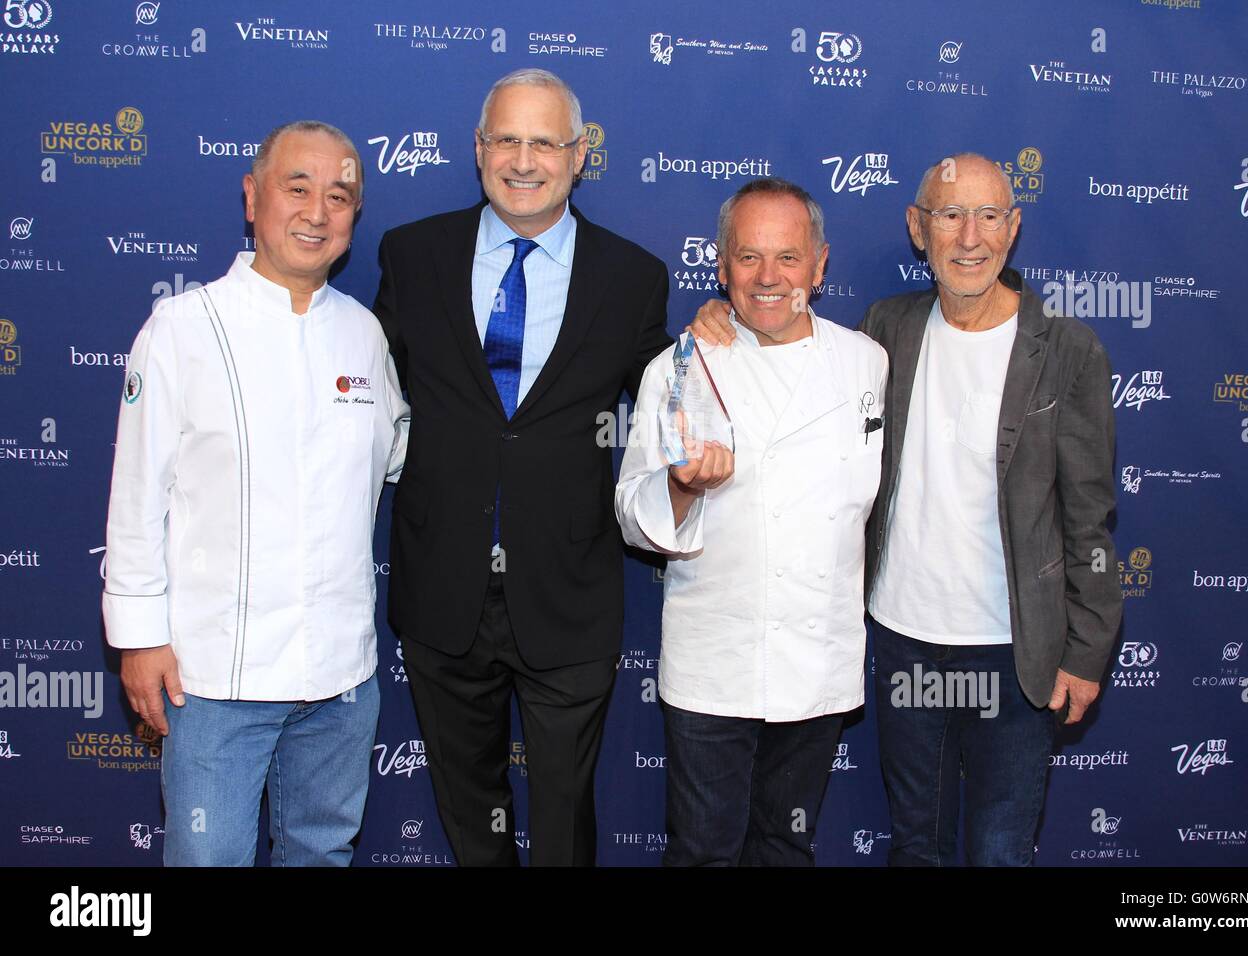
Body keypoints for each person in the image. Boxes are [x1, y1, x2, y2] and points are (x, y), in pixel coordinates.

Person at [690, 153, 1122, 866]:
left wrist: (1086, 648)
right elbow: (780, 335)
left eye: (988, 216)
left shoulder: (1068, 349)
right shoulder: (884, 332)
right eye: (949, 215)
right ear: (918, 230)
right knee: (915, 845)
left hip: (1017, 651)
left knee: (998, 851)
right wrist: (723, 318)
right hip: (902, 639)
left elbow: (1089, 515)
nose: (969, 236)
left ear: (1013, 229)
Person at [372, 68, 671, 866]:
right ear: (479, 149)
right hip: (442, 589)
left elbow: (674, 400)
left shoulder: (634, 277)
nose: (525, 159)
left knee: (565, 823)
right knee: (471, 817)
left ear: (579, 157)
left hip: (569, 595)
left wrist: (728, 329)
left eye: (546, 141)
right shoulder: (411, 256)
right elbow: (360, 399)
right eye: (507, 138)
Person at [103, 120, 409, 866]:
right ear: (252, 197)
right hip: (211, 682)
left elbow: (396, 452)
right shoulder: (180, 328)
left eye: (339, 195)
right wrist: (139, 637)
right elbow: (136, 493)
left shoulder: (364, 336)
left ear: (354, 217)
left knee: (322, 853)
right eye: (296, 187)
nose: (316, 211)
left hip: (339, 678)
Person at [618, 178, 888, 866]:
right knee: (704, 851)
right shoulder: (680, 367)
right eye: (748, 257)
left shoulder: (867, 362)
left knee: (785, 845)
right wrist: (681, 489)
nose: (769, 278)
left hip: (817, 658)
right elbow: (632, 515)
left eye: (789, 258)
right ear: (720, 264)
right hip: (717, 664)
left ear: (821, 265)